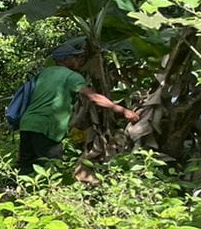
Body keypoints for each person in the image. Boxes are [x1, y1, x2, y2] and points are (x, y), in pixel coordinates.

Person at [16, 41, 139, 174]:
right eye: (75, 57)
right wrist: (123, 110)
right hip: (46, 125)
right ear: (66, 60)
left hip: (27, 123)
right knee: (52, 165)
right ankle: (53, 193)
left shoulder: (45, 73)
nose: (78, 61)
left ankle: (17, 191)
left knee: (26, 165)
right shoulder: (72, 77)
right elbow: (93, 97)